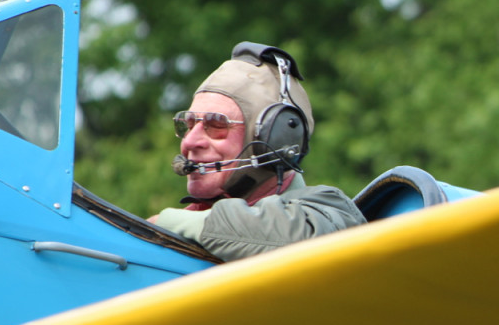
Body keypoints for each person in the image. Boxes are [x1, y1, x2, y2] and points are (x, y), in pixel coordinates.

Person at [149, 42, 366, 261]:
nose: (190, 141)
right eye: (188, 124)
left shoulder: (331, 214)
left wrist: (166, 223)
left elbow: (295, 237)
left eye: (215, 124)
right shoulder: (187, 224)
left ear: (275, 138)